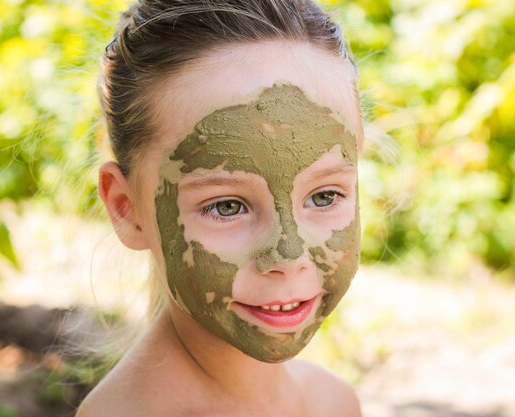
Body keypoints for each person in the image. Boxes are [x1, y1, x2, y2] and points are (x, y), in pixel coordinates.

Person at [77, 0, 364, 415]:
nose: (289, 256)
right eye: (227, 206)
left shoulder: (332, 402)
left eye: (324, 196)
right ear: (128, 208)